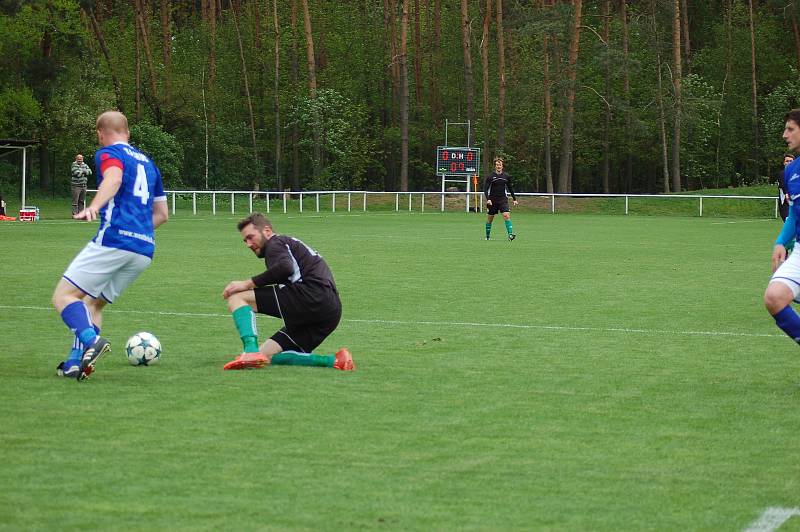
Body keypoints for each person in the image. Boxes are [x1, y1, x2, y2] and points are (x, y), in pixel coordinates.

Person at [51, 111, 169, 381]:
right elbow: (162, 214)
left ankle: (92, 341)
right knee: (92, 303)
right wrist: (139, 231)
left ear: (100, 133)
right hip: (144, 249)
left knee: (64, 296)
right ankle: (74, 363)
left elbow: (113, 179)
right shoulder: (150, 164)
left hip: (115, 239)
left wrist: (93, 206)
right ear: (128, 132)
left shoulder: (108, 153)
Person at [221, 213, 355, 371]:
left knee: (237, 298)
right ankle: (335, 361)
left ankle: (250, 351)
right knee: (264, 357)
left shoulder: (275, 244)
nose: (248, 244)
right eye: (245, 240)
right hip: (330, 310)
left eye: (251, 237)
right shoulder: (286, 244)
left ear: (267, 231)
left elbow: (285, 268)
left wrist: (247, 283)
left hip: (310, 296)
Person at [764, 108, 800, 346]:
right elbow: (794, 214)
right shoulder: (791, 171)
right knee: (774, 297)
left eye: (790, 129)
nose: (784, 135)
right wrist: (781, 241)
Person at [483, 157, 518, 241]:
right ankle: (487, 236)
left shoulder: (506, 176)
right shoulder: (490, 176)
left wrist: (514, 199)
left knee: (506, 215)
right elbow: (485, 189)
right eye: (497, 165)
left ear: (502, 166)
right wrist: (488, 199)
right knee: (490, 219)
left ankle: (510, 235)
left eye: (500, 165)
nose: (498, 166)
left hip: (503, 199)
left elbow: (510, 188)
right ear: (495, 166)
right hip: (492, 200)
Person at [777, 153, 795, 222]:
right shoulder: (782, 174)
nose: (789, 163)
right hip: (785, 205)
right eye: (787, 161)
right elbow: (783, 186)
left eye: (791, 161)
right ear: (784, 163)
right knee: (790, 225)